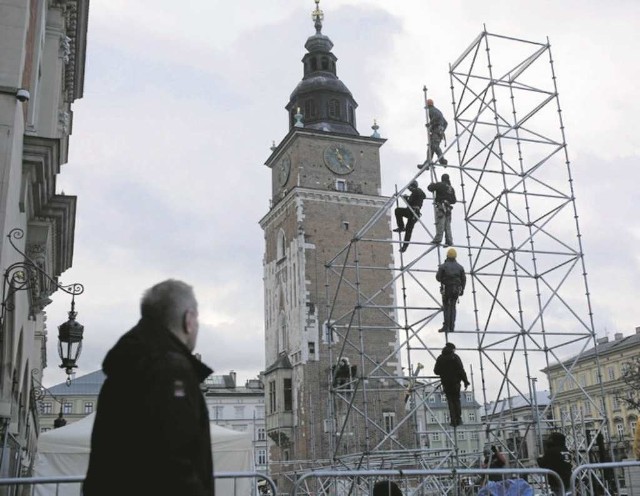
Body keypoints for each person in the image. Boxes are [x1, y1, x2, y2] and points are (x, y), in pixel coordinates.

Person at [83, 279, 215, 496]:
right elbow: (175, 463)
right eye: (197, 319)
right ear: (188, 319)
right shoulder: (171, 370)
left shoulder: (127, 364)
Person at [433, 342, 469, 427]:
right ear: (452, 349)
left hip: (446, 383)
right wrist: (465, 381)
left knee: (450, 402)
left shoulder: (440, 358)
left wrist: (444, 372)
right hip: (455, 383)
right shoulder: (455, 357)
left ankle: (453, 421)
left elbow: (436, 371)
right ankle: (459, 419)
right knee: (456, 401)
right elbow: (461, 370)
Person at [435, 248, 466, 333]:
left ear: (447, 255)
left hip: (447, 289)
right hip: (456, 290)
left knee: (447, 307)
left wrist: (444, 279)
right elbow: (463, 279)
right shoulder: (460, 267)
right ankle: (452, 327)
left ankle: (446, 326)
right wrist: (462, 289)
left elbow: (438, 277)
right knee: (453, 307)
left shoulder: (443, 266)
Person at [394, 179, 426, 253]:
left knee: (408, 229)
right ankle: (402, 228)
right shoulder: (419, 192)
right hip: (413, 212)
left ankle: (404, 245)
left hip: (413, 212)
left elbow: (410, 202)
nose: (409, 189)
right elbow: (423, 196)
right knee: (398, 211)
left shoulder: (415, 191)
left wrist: (405, 198)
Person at [537, 432, 572, 496]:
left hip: (556, 481)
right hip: (568, 479)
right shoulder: (566, 450)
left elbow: (542, 463)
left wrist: (538, 458)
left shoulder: (551, 451)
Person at [427, 173, 456, 247]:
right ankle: (449, 241)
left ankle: (438, 239)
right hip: (448, 208)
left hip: (441, 207)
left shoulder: (440, 185)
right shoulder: (451, 188)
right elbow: (454, 201)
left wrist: (432, 184)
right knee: (447, 225)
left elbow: (430, 188)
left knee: (441, 223)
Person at [418, 98, 448, 167]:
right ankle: (427, 162)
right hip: (438, 131)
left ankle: (442, 160)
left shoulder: (431, 110)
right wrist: (442, 130)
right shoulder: (437, 111)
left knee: (434, 145)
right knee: (431, 147)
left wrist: (430, 123)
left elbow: (436, 117)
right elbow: (446, 123)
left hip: (436, 131)